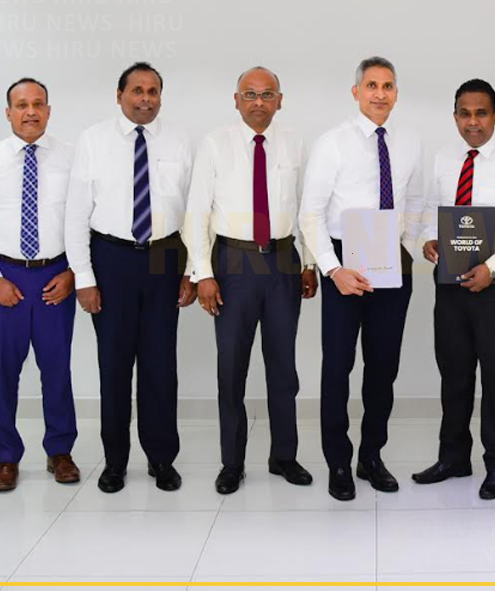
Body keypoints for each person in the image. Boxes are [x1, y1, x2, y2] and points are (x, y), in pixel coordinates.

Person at [184, 67, 317, 495]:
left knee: (283, 368)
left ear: (280, 100)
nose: (259, 102)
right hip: (233, 263)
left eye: (267, 94)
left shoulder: (294, 143)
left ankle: (284, 456)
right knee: (232, 367)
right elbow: (196, 212)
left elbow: (306, 208)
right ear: (236, 100)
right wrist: (203, 273)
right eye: (250, 94)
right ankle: (232, 463)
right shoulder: (215, 143)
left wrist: (309, 262)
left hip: (282, 262)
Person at [66, 62, 197, 494]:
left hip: (165, 256)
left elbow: (194, 211)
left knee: (161, 365)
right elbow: (76, 213)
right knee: (115, 365)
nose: (145, 98)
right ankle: (115, 461)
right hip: (112, 258)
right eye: (137, 90)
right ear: (119, 95)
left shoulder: (180, 140)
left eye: (153, 91)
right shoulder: (93, 140)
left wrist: (192, 271)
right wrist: (84, 277)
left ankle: (162, 458)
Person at [299, 56, 424, 501]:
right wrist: (332, 269)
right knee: (338, 367)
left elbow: (415, 200)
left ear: (396, 93)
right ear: (356, 92)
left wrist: (405, 245)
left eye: (387, 86)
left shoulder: (409, 141)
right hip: (344, 263)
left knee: (383, 368)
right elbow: (310, 214)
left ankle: (371, 456)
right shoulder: (332, 143)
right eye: (371, 85)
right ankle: (338, 461)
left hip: (391, 261)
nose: (379, 94)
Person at [413, 79, 495, 500]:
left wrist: (494, 266)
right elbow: (431, 209)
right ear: (455, 117)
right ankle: (453, 456)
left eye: (481, 113)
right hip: (450, 282)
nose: (473, 122)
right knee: (453, 372)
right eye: (465, 114)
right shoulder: (444, 157)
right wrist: (429, 239)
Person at [0, 78, 79, 493]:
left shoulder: (71, 158)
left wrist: (74, 273)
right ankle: (6, 457)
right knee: (3, 371)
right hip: (5, 278)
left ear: (49, 110)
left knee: (57, 368)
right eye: (22, 105)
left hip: (56, 277)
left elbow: (85, 219)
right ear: (8, 112)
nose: (31, 112)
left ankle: (60, 451)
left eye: (38, 104)